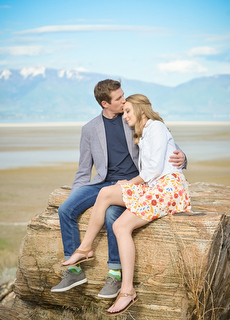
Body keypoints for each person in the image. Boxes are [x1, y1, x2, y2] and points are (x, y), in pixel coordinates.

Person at [52, 80, 186, 300]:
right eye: (119, 99)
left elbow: (165, 146)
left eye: (124, 97)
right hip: (103, 182)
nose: (124, 101)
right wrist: (75, 194)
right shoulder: (89, 129)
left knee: (113, 214)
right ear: (105, 103)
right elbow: (84, 169)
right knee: (66, 209)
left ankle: (114, 273)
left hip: (133, 181)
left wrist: (183, 157)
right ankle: (74, 270)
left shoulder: (132, 119)